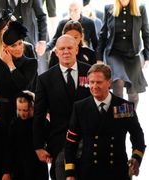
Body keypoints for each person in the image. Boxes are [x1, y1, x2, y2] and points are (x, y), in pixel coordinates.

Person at [65, 64, 146, 180]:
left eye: (99, 82)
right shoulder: (80, 107)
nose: (94, 86)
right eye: (91, 82)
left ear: (109, 82)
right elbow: (71, 142)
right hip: (88, 171)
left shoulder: (123, 107)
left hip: (117, 171)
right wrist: (70, 173)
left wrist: (136, 158)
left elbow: (137, 135)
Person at [33, 35, 91, 180]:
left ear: (76, 49)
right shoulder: (45, 79)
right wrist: (39, 146)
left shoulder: (91, 73)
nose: (66, 51)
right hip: (60, 142)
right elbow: (39, 115)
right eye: (62, 49)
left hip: (89, 139)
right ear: (56, 52)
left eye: (69, 48)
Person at [96, 0, 149, 110]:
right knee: (118, 82)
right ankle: (119, 120)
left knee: (133, 92)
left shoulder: (141, 9)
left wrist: (148, 56)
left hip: (133, 54)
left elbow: (146, 33)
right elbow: (102, 34)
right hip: (114, 53)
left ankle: (130, 117)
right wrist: (99, 57)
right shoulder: (109, 8)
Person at [0, 21, 37, 126]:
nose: (18, 48)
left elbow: (24, 85)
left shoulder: (31, 63)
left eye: (20, 43)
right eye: (13, 45)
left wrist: (10, 64)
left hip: (22, 112)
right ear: (5, 47)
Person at [0, 0, 48, 73]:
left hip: (26, 39)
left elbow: (41, 16)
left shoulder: (29, 47)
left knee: (29, 72)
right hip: (4, 43)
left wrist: (42, 40)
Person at [9, 90, 48, 180]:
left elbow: (50, 139)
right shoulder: (14, 123)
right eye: (19, 110)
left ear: (32, 108)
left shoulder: (41, 122)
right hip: (19, 166)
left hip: (37, 165)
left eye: (25, 110)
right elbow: (10, 147)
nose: (22, 113)